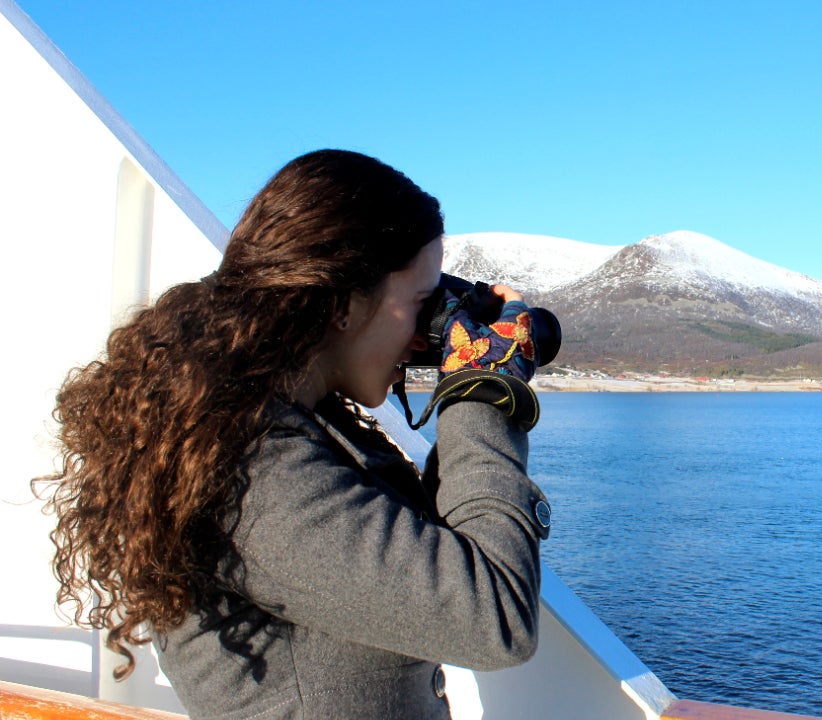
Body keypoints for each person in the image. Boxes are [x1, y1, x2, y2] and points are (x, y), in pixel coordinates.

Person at [37, 149, 551, 719]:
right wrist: (484, 385)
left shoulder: (271, 423)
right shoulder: (250, 468)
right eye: (418, 303)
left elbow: (420, 554)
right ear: (343, 306)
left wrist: (469, 371)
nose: (423, 336)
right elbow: (493, 616)